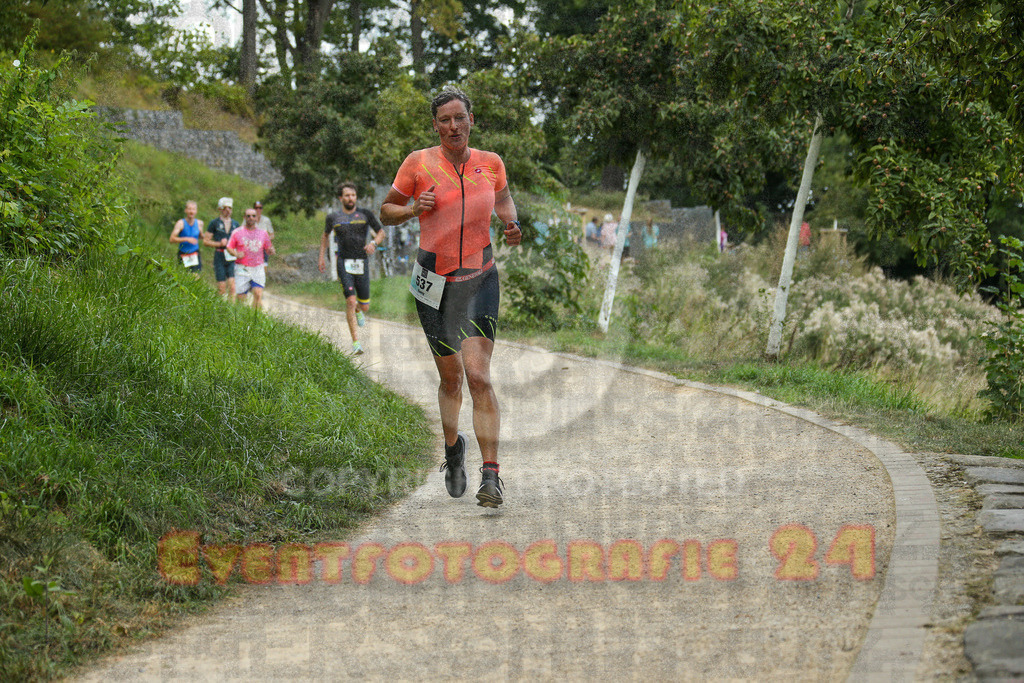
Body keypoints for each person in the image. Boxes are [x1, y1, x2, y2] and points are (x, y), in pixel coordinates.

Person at [380, 85, 522, 509]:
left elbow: (504, 199)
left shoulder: (491, 164)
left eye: (460, 117)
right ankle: (452, 448)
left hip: (479, 278)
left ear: (471, 120)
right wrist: (411, 208)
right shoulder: (418, 163)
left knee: (478, 376)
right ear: (436, 125)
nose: (453, 126)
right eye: (444, 120)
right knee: (451, 378)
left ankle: (491, 476)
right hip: (433, 283)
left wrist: (511, 224)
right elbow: (387, 210)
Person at [318, 182, 385, 355]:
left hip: (361, 262)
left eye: (353, 195)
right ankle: (356, 343)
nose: (350, 198)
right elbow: (325, 236)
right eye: (347, 195)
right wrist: (321, 258)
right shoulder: (333, 217)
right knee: (350, 300)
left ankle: (358, 310)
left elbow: (381, 233)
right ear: (341, 198)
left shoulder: (365, 214)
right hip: (343, 262)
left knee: (364, 306)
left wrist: (373, 243)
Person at [226, 206, 275, 310]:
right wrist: (236, 254)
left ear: (257, 218)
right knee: (241, 298)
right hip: (242, 268)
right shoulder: (237, 232)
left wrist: (271, 250)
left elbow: (268, 248)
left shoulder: (263, 233)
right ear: (244, 217)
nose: (251, 218)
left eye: (253, 216)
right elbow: (229, 247)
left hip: (258, 267)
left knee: (257, 294)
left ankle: (255, 318)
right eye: (248, 216)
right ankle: (240, 317)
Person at [204, 197, 239, 298]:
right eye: (225, 208)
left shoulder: (235, 224)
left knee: (232, 286)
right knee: (222, 287)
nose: (227, 210)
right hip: (219, 255)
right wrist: (219, 244)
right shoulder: (214, 223)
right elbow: (206, 241)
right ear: (220, 209)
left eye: (230, 208)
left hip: (231, 256)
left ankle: (231, 310)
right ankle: (221, 308)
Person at [169, 200, 203, 273]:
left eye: (193, 209)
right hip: (183, 253)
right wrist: (187, 239)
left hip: (195, 252)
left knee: (196, 276)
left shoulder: (199, 223)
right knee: (185, 275)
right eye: (189, 209)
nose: (191, 211)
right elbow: (172, 239)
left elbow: (200, 236)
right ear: (185, 210)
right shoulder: (180, 223)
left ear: (196, 211)